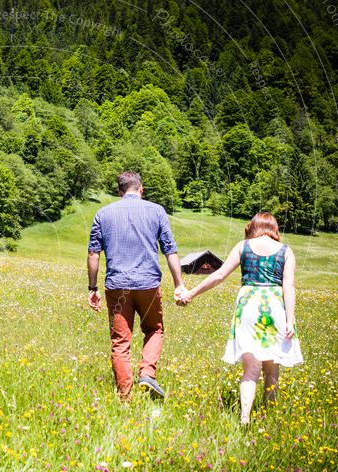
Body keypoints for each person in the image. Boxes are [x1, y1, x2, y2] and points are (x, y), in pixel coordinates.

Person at [176, 212, 304, 424]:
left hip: (248, 305)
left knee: (251, 369)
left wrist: (190, 293)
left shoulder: (243, 246)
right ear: (274, 228)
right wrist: (290, 320)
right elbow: (288, 286)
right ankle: (268, 417)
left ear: (253, 227)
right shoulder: (286, 251)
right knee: (272, 369)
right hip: (275, 307)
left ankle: (245, 417)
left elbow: (218, 275)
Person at [87, 171, 186, 401]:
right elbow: (170, 250)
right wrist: (179, 284)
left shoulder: (103, 213)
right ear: (141, 189)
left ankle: (125, 397)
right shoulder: (157, 211)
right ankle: (147, 373)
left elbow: (93, 253)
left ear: (119, 191)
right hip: (148, 284)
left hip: (117, 285)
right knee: (154, 329)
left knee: (120, 341)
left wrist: (92, 288)